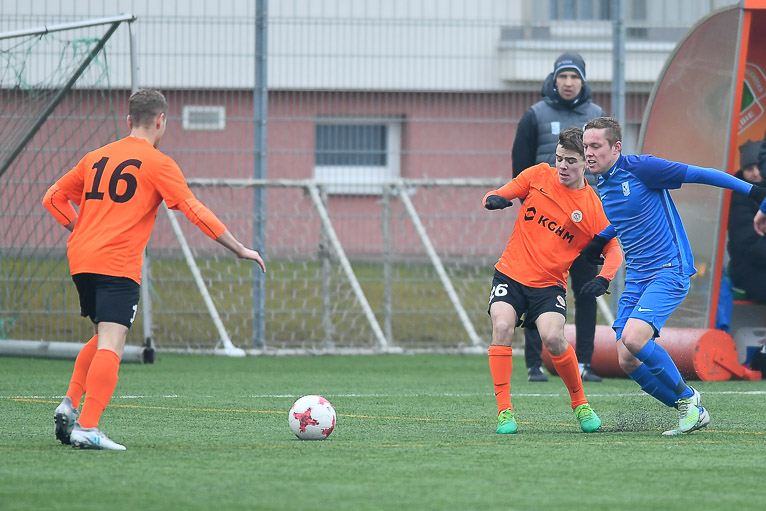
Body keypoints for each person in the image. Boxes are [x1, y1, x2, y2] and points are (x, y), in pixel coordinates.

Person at [43, 89, 266, 450]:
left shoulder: (95, 157)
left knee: (102, 336)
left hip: (81, 260)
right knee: (112, 343)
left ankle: (69, 404)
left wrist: (80, 228)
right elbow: (194, 210)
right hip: (117, 263)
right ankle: (88, 426)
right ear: (161, 120)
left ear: (128, 120)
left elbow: (53, 198)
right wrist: (239, 248)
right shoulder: (158, 163)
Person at [580, 116, 766, 435]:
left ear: (616, 147)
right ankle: (690, 409)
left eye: (596, 146)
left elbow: (700, 174)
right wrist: (600, 239)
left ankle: (689, 398)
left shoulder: (643, 168)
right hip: (638, 277)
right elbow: (627, 216)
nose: (589, 153)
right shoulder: (603, 183)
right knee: (626, 358)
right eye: (586, 146)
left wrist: (754, 192)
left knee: (634, 338)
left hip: (669, 269)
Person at [483, 126, 623, 434]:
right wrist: (494, 199)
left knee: (554, 338)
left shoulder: (592, 207)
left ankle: (580, 403)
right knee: (502, 327)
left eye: (571, 160)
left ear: (586, 162)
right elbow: (500, 192)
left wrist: (604, 278)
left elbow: (614, 250)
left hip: (548, 286)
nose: (562, 165)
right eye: (559, 158)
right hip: (510, 273)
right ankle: (505, 411)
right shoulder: (537, 175)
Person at [511, 52, 608, 383]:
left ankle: (584, 363)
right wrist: (534, 211)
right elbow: (521, 169)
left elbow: (607, 167)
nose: (568, 83)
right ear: (554, 80)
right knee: (535, 289)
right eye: (563, 76)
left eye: (574, 77)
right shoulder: (535, 115)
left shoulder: (596, 117)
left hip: (584, 224)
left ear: (583, 81)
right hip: (545, 225)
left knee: (586, 290)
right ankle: (534, 364)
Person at [727, 140, 766, 304]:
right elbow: (750, 245)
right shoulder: (739, 198)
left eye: (759, 167)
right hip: (749, 269)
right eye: (750, 169)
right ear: (743, 171)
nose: (756, 173)